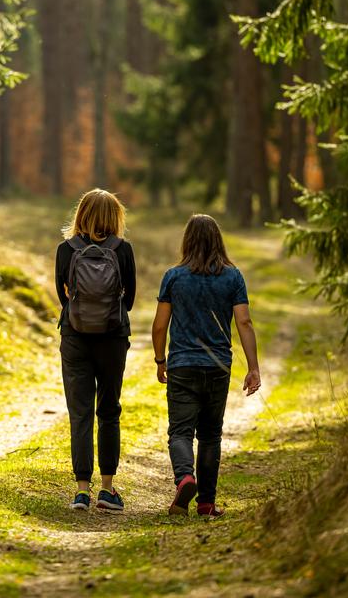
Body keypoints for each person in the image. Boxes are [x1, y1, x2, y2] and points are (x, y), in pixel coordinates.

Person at [152, 214, 261, 517]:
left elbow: (160, 326)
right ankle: (206, 503)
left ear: (187, 240)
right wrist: (253, 368)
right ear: (218, 241)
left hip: (182, 365)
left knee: (181, 432)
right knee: (211, 435)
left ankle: (185, 477)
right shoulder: (233, 277)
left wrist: (161, 360)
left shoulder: (173, 276)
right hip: (217, 367)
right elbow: (244, 321)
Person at [55, 188, 136, 511]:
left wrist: (80, 315)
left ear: (81, 214)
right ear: (116, 217)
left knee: (80, 413)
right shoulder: (123, 249)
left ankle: (80, 491)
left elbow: (62, 296)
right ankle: (107, 490)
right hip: (113, 337)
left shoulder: (66, 249)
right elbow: (128, 299)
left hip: (75, 337)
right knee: (109, 410)